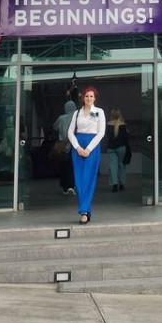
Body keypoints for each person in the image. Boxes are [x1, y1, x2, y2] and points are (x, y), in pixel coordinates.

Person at [68, 86, 105, 223]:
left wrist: (88, 149)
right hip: (78, 146)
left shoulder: (99, 112)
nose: (89, 98)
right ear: (83, 98)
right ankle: (86, 210)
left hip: (92, 147)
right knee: (79, 180)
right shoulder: (76, 113)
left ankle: (83, 211)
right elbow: (70, 132)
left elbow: (101, 133)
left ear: (95, 98)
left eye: (91, 96)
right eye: (87, 96)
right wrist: (77, 147)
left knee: (88, 178)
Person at [53, 97, 77, 195]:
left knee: (64, 166)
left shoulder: (61, 118)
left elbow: (54, 127)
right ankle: (72, 185)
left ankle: (64, 186)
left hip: (63, 145)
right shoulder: (77, 117)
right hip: (74, 145)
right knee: (73, 166)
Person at [105, 108, 130, 192]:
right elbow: (126, 138)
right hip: (121, 147)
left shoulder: (108, 124)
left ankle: (114, 184)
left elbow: (107, 137)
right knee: (122, 165)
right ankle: (122, 184)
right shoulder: (123, 125)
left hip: (111, 148)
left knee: (112, 166)